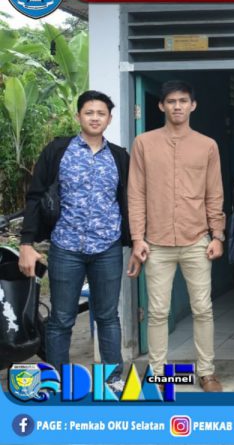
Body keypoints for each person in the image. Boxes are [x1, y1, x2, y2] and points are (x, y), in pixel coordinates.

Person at [19, 90, 130, 394]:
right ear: (78, 116)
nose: (95, 118)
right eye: (89, 112)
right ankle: (56, 381)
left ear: (109, 119)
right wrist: (26, 243)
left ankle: (111, 380)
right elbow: (35, 197)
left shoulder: (119, 156)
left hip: (107, 247)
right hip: (66, 247)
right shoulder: (57, 151)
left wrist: (137, 240)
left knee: (108, 317)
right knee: (61, 319)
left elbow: (128, 200)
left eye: (101, 113)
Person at [126, 80, 226, 392]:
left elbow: (214, 193)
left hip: (196, 239)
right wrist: (138, 238)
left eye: (183, 101)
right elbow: (136, 194)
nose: (178, 106)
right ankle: (158, 374)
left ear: (193, 105)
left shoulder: (207, 145)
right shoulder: (144, 143)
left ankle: (206, 372)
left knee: (203, 309)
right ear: (161, 106)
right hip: (156, 242)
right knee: (157, 313)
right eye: (171, 101)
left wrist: (218, 235)